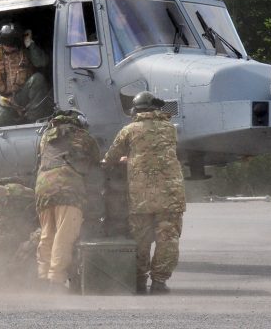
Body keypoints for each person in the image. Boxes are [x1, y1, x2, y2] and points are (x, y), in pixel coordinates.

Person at [102, 91, 186, 294]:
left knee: (141, 239)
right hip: (170, 195)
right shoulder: (169, 129)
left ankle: (139, 281)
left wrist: (125, 159)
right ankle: (159, 282)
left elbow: (111, 157)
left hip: (141, 197)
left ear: (136, 110)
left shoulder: (129, 130)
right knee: (168, 239)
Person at [34, 110, 100, 291]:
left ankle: (43, 275)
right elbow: (96, 164)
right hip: (67, 187)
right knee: (64, 235)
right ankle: (55, 280)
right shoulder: (83, 136)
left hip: (43, 188)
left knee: (47, 233)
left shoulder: (45, 137)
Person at [0, 22, 53, 126]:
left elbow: (42, 62)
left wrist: (30, 44)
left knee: (38, 79)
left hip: (23, 94)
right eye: (7, 44)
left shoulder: (26, 50)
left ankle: (32, 121)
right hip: (4, 98)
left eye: (12, 44)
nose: (10, 47)